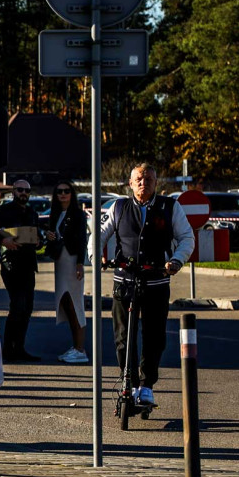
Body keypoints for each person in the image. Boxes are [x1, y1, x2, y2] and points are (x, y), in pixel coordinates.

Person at [92, 163, 194, 406]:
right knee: (122, 336)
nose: (143, 183)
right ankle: (129, 380)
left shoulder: (170, 207)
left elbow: (186, 237)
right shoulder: (118, 207)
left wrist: (177, 260)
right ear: (130, 183)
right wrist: (98, 258)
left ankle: (147, 386)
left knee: (154, 335)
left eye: (148, 178)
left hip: (156, 280)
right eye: (138, 178)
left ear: (155, 183)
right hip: (124, 281)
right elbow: (98, 234)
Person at [0, 178, 43, 363]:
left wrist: (40, 239)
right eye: (19, 190)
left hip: (29, 264)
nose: (23, 193)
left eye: (26, 190)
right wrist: (3, 241)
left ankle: (20, 348)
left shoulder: (32, 213)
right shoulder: (4, 210)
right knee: (17, 306)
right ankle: (8, 350)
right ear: (13, 192)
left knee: (27, 308)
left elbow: (37, 233)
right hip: (11, 264)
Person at [44, 181, 89, 364]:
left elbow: (82, 241)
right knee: (65, 303)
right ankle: (76, 347)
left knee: (75, 303)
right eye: (59, 191)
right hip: (60, 262)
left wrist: (80, 263)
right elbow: (52, 241)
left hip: (72, 262)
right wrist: (49, 237)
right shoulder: (54, 215)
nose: (63, 194)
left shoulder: (78, 215)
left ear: (72, 194)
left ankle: (80, 349)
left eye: (66, 191)